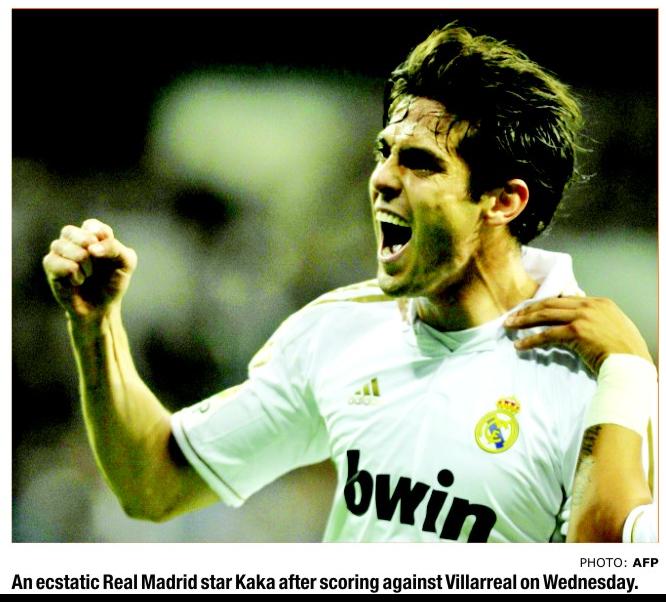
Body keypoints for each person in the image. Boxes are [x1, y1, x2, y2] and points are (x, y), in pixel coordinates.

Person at [42, 24, 655, 542]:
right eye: (385, 152)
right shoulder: (340, 332)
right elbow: (156, 484)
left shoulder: (597, 372)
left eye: (419, 162)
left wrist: (627, 373)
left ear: (503, 200)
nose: (383, 178)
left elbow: (607, 568)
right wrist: (96, 327)